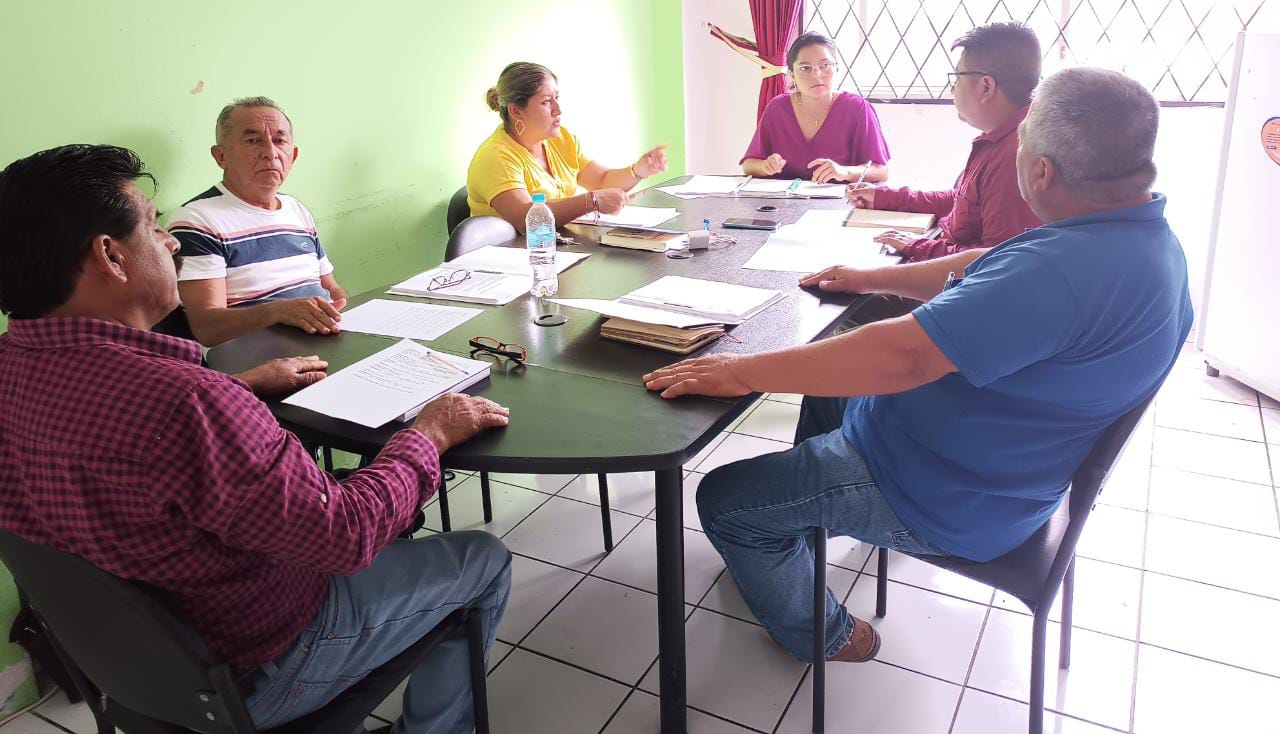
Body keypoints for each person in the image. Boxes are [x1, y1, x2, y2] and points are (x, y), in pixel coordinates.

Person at [643, 68, 1192, 666]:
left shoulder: (1064, 272)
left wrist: (740, 372)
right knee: (826, 388)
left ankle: (823, 632)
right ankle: (798, 529)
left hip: (942, 491)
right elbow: (987, 264)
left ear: (1042, 171)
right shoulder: (1139, 239)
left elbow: (904, 357)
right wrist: (870, 279)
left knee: (726, 499)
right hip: (986, 457)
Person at [0, 144, 512, 734]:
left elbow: (117, 444)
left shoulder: (19, 369)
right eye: (153, 226)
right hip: (259, 662)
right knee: (483, 559)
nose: (170, 244)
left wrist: (235, 387)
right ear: (111, 256)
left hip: (135, 668)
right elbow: (346, 537)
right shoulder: (186, 403)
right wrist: (430, 432)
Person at [847, 23, 1042, 262]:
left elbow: (994, 262)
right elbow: (964, 203)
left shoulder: (1015, 157)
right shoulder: (999, 139)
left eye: (957, 79)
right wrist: (885, 198)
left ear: (986, 87)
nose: (952, 89)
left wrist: (918, 247)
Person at [168, 96, 348, 346]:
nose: (270, 154)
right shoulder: (197, 220)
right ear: (220, 156)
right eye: (253, 141)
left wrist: (340, 309)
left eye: (279, 141)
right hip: (260, 358)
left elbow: (331, 288)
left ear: (293, 156)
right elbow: (207, 328)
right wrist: (279, 311)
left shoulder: (296, 210)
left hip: (324, 341)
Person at [467, 61, 669, 232]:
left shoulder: (560, 139)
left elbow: (601, 180)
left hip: (554, 249)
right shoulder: (495, 156)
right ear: (516, 111)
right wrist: (591, 201)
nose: (558, 110)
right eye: (546, 102)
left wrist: (639, 170)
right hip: (513, 257)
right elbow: (526, 218)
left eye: (557, 98)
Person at [741, 32, 890, 183]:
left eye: (824, 66)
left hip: (839, 197)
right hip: (784, 197)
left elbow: (881, 171)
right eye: (805, 68)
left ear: (836, 68)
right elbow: (748, 165)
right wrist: (765, 166)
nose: (817, 75)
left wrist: (845, 172)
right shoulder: (777, 108)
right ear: (792, 74)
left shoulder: (858, 109)